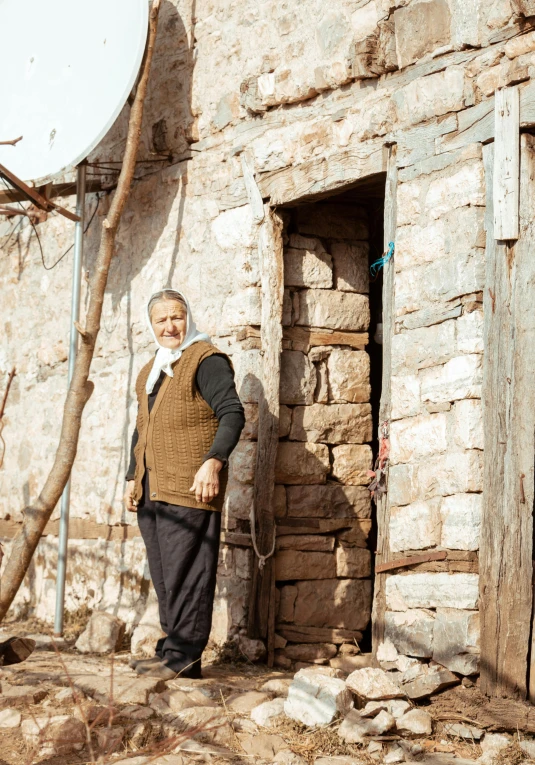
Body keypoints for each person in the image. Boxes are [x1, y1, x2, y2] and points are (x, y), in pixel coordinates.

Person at [124, 289, 245, 680]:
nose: (170, 326)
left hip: (191, 489)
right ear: (152, 326)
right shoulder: (151, 370)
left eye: (176, 317)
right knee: (165, 577)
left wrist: (213, 462)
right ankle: (171, 650)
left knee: (188, 574)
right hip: (152, 490)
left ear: (187, 318)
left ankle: (184, 660)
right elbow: (142, 428)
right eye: (161, 320)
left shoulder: (205, 361)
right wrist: (132, 476)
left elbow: (232, 413)